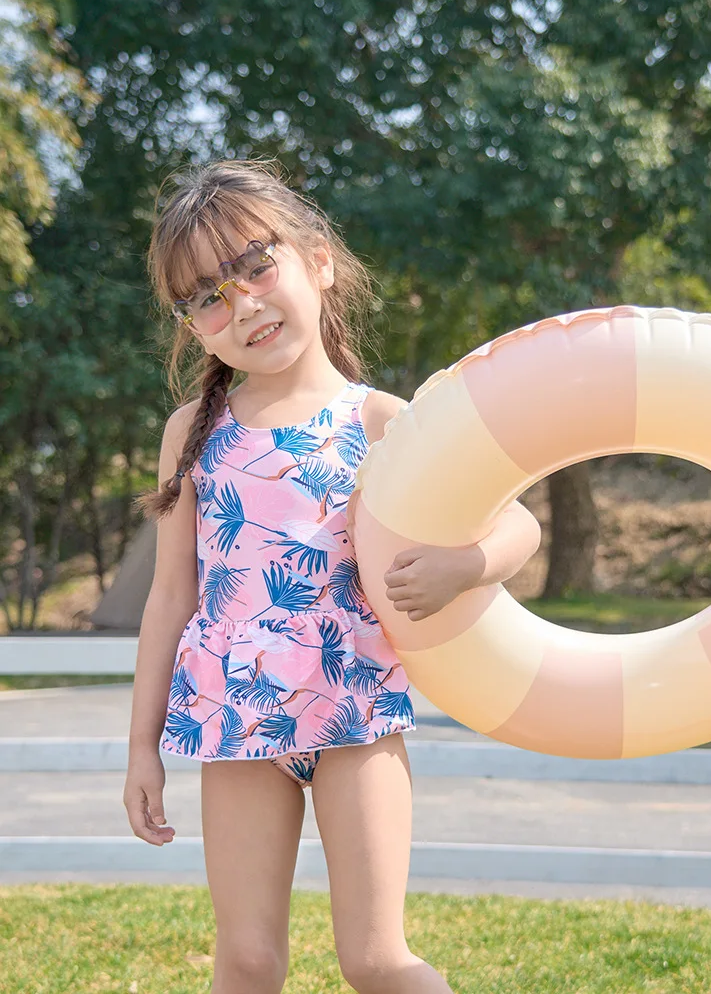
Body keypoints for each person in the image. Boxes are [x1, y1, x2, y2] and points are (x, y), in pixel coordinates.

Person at [122, 158, 541, 994]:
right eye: (205, 295)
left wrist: (466, 564)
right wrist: (142, 747)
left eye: (253, 266)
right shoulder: (192, 435)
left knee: (376, 960)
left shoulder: (384, 420)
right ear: (191, 327)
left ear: (318, 260)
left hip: (353, 707)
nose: (240, 303)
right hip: (235, 714)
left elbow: (517, 522)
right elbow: (172, 596)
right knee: (244, 963)